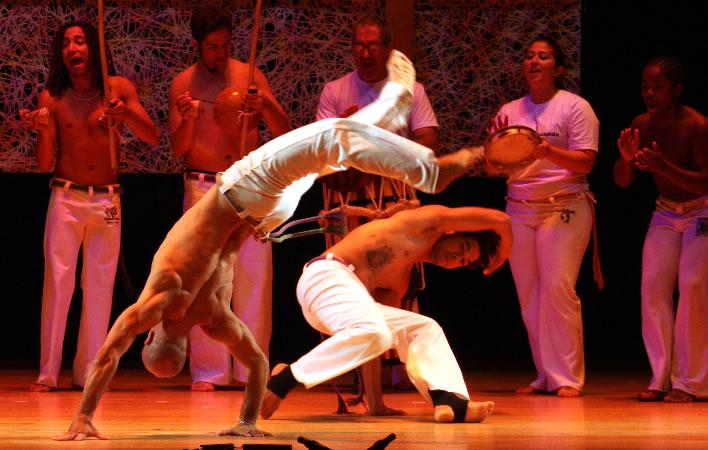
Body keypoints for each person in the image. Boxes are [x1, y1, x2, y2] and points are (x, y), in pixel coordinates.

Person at [54, 49, 487, 440]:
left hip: (264, 214)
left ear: (183, 349)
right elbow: (109, 352)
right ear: (151, 338)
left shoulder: (214, 319)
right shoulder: (161, 295)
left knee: (331, 151)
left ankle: (388, 111)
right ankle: (427, 169)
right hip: (244, 192)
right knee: (328, 138)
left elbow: (261, 364)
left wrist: (249, 419)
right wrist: (82, 414)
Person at [260, 205, 511, 423]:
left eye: (464, 262)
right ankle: (285, 379)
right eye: (463, 246)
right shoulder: (420, 225)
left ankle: (448, 399)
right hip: (325, 276)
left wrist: (375, 403)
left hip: (339, 311)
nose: (457, 257)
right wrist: (504, 251)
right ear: (453, 231)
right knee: (374, 329)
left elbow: (376, 342)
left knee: (422, 328)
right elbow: (500, 220)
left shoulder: (399, 281)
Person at [20, 20, 159, 392]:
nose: (72, 48)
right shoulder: (52, 97)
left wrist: (124, 114)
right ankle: (48, 373)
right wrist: (43, 129)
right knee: (59, 283)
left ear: (93, 49)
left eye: (80, 41)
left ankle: (89, 374)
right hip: (65, 197)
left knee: (99, 288)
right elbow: (43, 160)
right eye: (66, 43)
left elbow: (152, 136)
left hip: (107, 201)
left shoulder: (117, 90)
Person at [316, 16, 441, 415]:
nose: (365, 53)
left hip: (394, 201)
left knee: (395, 290)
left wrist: (386, 142)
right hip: (350, 200)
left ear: (388, 49)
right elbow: (320, 151)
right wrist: (347, 130)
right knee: (352, 293)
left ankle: (408, 381)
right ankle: (357, 386)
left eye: (373, 46)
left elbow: (429, 140)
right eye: (359, 45)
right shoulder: (335, 91)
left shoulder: (410, 89)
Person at [169, 5, 291, 392]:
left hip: (249, 182)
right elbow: (180, 147)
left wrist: (265, 105)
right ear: (197, 44)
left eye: (225, 45)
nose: (221, 53)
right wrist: (187, 117)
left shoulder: (249, 74)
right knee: (205, 279)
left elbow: (283, 130)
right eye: (213, 46)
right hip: (203, 185)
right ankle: (209, 371)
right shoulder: (183, 84)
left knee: (254, 276)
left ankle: (249, 367)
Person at [489, 36, 600, 398]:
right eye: (529, 55)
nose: (534, 61)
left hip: (563, 203)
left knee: (557, 288)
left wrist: (549, 149)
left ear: (560, 67)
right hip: (520, 207)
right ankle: (545, 374)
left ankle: (567, 376)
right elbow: (494, 167)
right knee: (529, 294)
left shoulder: (575, 107)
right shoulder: (511, 110)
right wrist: (495, 152)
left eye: (544, 56)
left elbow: (586, 161)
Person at [614, 56, 707, 403]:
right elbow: (622, 181)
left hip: (702, 211)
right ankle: (661, 377)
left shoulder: (696, 125)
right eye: (644, 87)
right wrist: (626, 160)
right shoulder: (642, 123)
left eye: (658, 87)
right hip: (666, 212)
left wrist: (663, 166)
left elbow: (704, 183)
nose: (649, 93)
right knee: (652, 288)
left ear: (677, 89)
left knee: (694, 287)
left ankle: (691, 382)